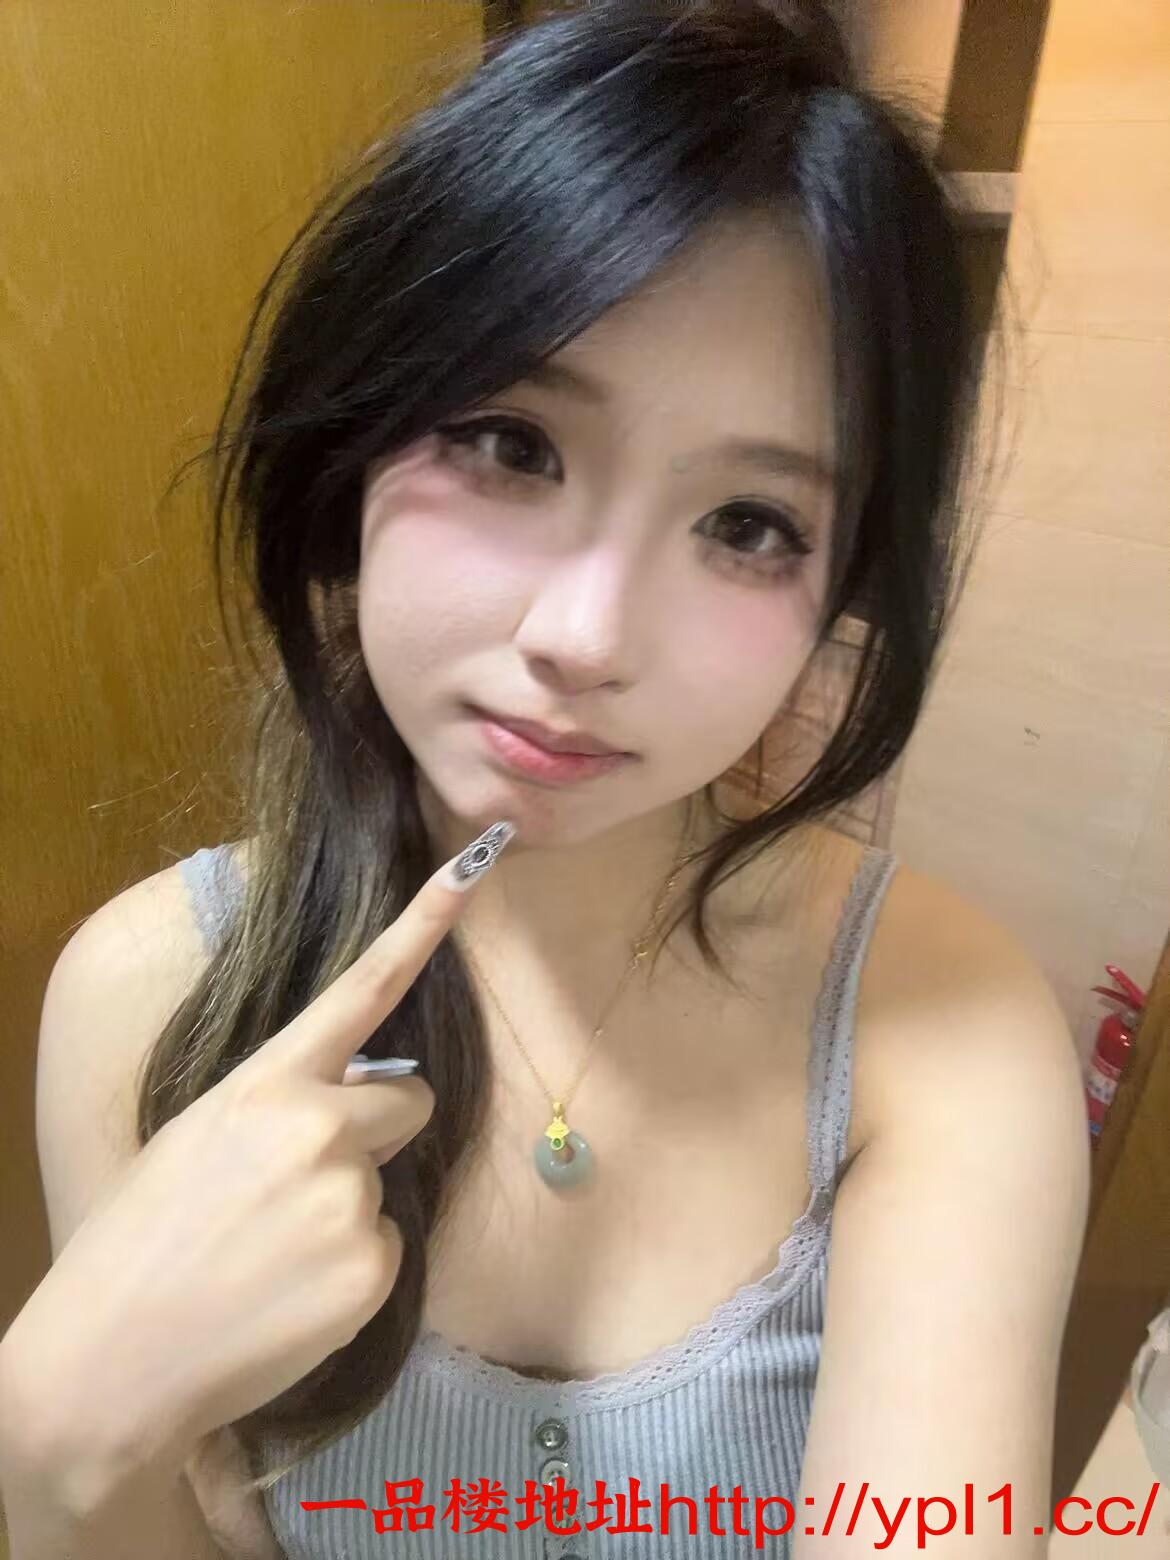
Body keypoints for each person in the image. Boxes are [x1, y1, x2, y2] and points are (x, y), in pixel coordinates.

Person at [0, 1, 1091, 1555]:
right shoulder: (149, 998)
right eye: (512, 444)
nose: (584, 637)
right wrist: (48, 1444)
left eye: (747, 526)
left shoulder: (939, 1024)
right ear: (352, 441)